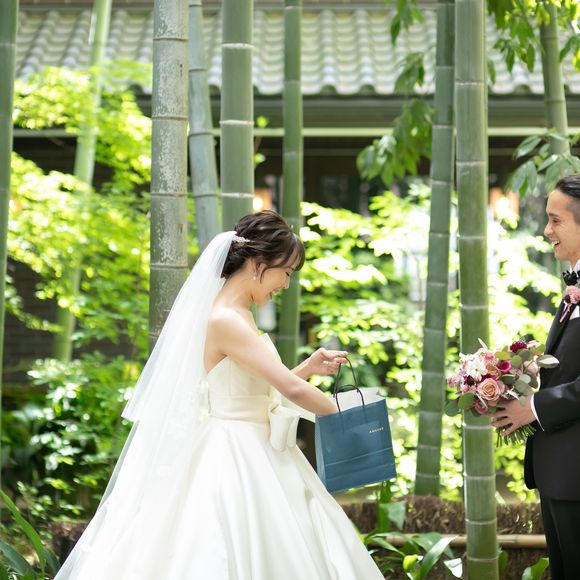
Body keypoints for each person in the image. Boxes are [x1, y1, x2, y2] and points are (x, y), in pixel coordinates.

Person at [54, 210, 384, 579]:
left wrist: (307, 367)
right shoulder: (227, 319)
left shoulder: (239, 314)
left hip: (256, 441)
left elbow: (255, 391)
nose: (286, 284)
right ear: (258, 264)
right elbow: (289, 389)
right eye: (287, 272)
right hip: (239, 449)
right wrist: (354, 418)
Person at [491, 175, 580, 579]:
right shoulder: (573, 285)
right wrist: (523, 373)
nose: (546, 230)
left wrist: (534, 407)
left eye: (556, 220)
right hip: (560, 473)